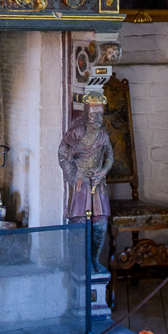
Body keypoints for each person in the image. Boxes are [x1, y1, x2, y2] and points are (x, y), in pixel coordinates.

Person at [58, 95, 113, 273]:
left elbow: (109, 155)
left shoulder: (102, 134)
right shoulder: (77, 132)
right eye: (93, 114)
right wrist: (71, 173)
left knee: (100, 224)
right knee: (79, 223)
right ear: (86, 113)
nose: (97, 118)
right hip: (81, 183)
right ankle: (79, 261)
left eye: (100, 114)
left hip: (97, 183)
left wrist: (103, 171)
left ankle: (94, 260)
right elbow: (63, 150)